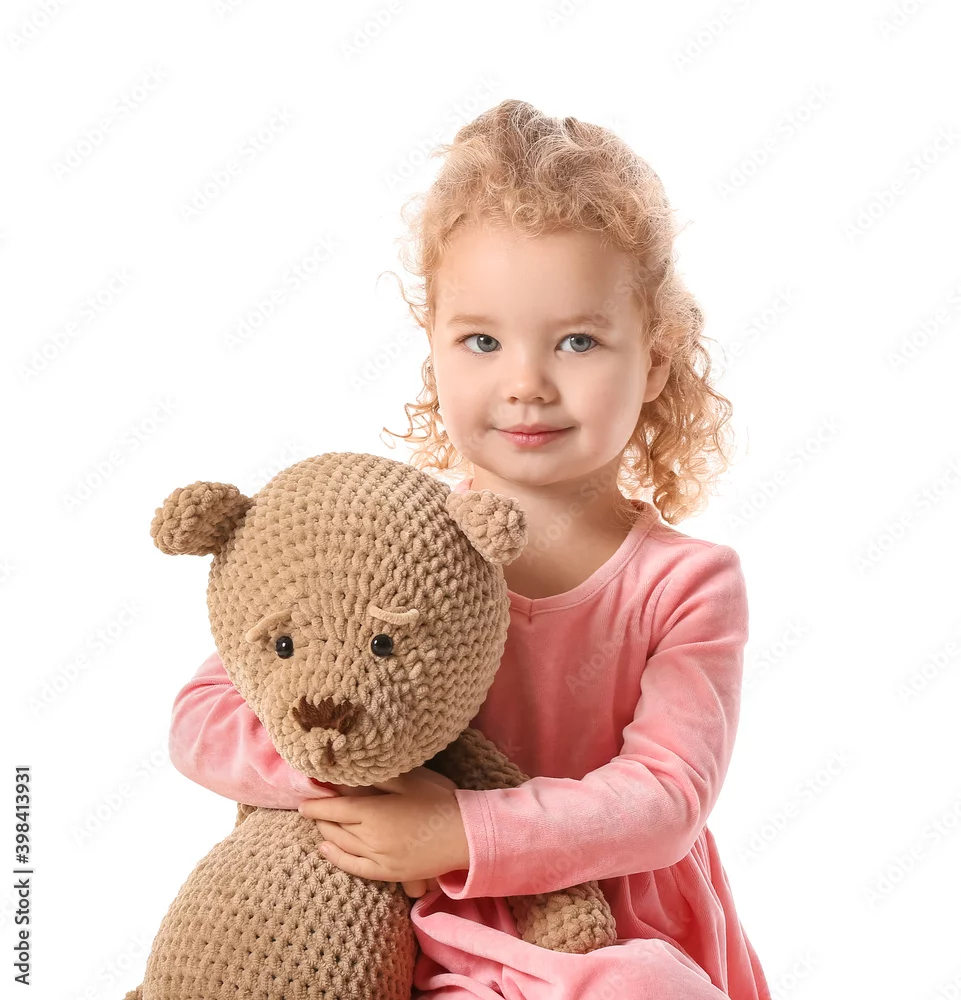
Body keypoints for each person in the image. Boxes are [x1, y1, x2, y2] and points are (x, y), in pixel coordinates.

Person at [168, 99, 773, 999]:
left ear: (653, 358)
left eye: (577, 341)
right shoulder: (389, 549)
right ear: (434, 352)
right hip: (404, 919)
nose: (525, 383)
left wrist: (458, 828)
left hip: (594, 928)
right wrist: (353, 775)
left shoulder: (685, 584)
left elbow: (665, 798)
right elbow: (205, 713)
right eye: (482, 341)